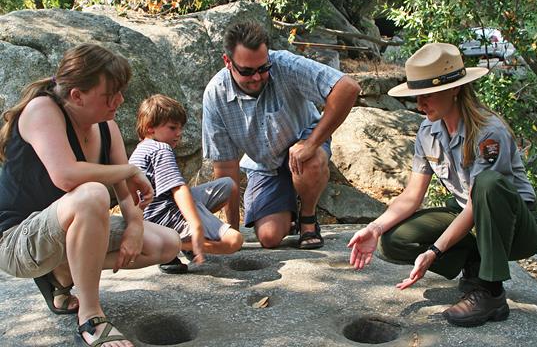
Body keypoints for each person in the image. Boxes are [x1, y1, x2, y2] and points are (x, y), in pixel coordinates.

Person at [347, 43, 537, 327]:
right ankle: (474, 264)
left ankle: (490, 290)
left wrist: (435, 251)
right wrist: (375, 228)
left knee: (488, 184)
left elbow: (481, 202)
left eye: (426, 94)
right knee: (393, 242)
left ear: (455, 89)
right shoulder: (428, 131)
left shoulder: (489, 132)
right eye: (417, 96)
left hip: (514, 228)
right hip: (468, 215)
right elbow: (412, 195)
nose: (420, 104)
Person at [0, 44, 181, 347]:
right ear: (76, 96)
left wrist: (135, 226)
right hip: (16, 239)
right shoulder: (43, 110)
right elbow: (66, 175)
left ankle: (62, 274)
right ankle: (91, 315)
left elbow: (127, 195)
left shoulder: (106, 126)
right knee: (92, 194)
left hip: (62, 232)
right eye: (110, 94)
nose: (120, 101)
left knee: (166, 243)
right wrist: (126, 171)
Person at [202, 20, 361, 249]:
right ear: (228, 62)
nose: (256, 77)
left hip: (304, 142)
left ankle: (308, 218)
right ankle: (289, 207)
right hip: (265, 165)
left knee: (309, 161)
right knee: (269, 237)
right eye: (247, 72)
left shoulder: (285, 64)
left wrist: (311, 143)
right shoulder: (215, 95)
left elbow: (348, 87)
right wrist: (231, 233)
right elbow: (226, 169)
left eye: (263, 68)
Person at [129, 94, 244, 274]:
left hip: (151, 214)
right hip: (163, 216)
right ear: (150, 129)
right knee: (233, 242)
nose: (179, 133)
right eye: (172, 128)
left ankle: (184, 241)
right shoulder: (161, 149)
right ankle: (171, 245)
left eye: (180, 128)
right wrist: (196, 225)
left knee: (227, 185)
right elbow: (178, 189)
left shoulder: (141, 148)